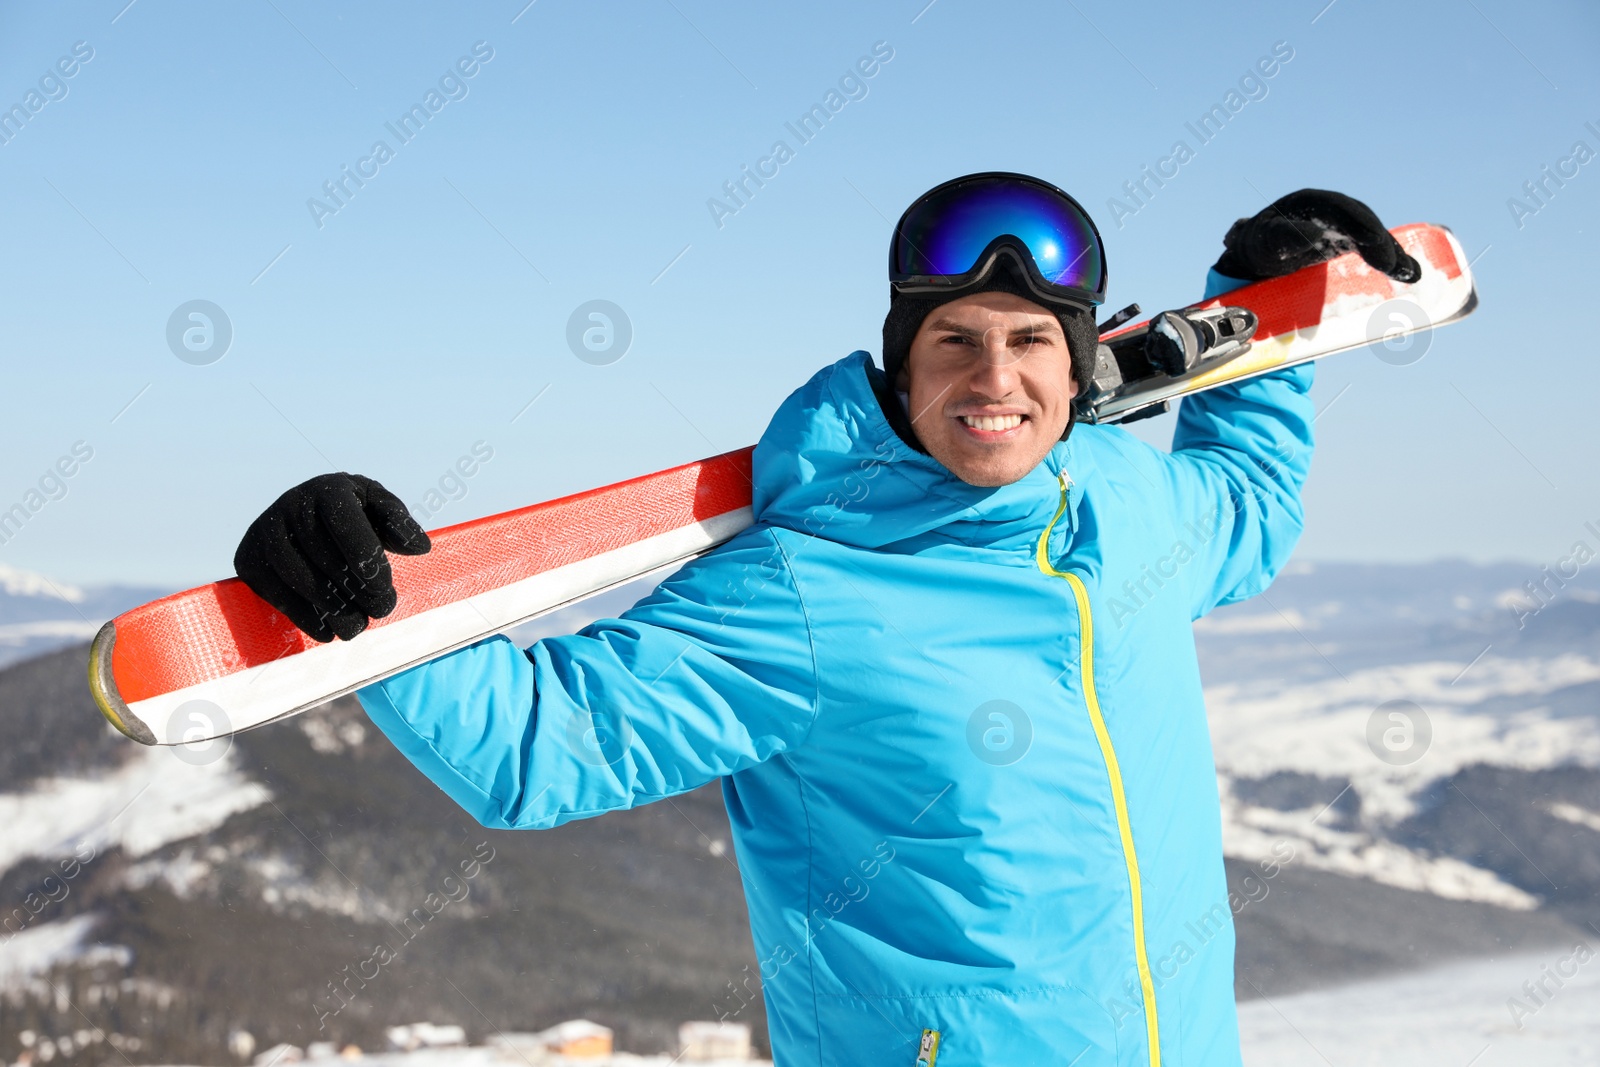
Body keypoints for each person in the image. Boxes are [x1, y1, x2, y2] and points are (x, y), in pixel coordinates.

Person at [234, 174, 1420, 1066]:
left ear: (1078, 373)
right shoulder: (806, 589)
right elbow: (539, 747)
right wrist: (360, 607)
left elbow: (1251, 509)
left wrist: (1265, 311)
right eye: (952, 341)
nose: (992, 378)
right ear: (902, 368)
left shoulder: (1132, 498)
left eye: (1028, 343)